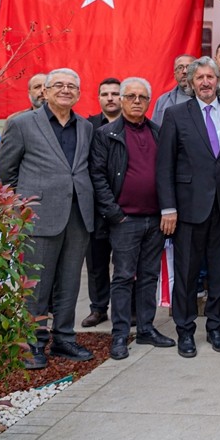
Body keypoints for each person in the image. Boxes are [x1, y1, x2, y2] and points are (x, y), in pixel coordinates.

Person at [0, 68, 95, 369]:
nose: (66, 90)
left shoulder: (85, 126)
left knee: (69, 283)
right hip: (39, 216)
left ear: (78, 93)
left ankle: (64, 338)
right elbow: (5, 171)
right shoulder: (23, 124)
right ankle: (32, 343)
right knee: (36, 285)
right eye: (59, 86)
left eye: (72, 87)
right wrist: (24, 205)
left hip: (78, 215)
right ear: (46, 91)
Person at [156, 56, 220, 358]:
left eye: (210, 77)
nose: (206, 82)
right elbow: (165, 165)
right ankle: (185, 331)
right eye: (200, 78)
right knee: (186, 274)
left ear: (219, 81)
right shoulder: (175, 114)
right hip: (189, 209)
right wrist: (168, 208)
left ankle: (216, 328)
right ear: (191, 82)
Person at [87, 77, 176, 360]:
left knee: (149, 276)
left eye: (142, 97)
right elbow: (98, 176)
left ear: (149, 102)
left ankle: (147, 328)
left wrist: (167, 209)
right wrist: (115, 214)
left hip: (156, 220)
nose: (137, 101)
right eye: (131, 96)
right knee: (123, 277)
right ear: (122, 100)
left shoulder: (159, 132)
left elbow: (169, 174)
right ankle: (120, 335)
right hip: (125, 220)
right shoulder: (106, 134)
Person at [82, 77, 123, 328]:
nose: (110, 98)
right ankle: (98, 308)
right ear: (98, 98)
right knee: (96, 263)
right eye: (105, 93)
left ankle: (125, 308)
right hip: (96, 207)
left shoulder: (132, 125)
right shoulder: (87, 127)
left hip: (124, 208)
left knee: (124, 263)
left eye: (115, 93)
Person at [151, 54, 195, 125]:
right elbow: (155, 130)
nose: (185, 71)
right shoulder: (163, 100)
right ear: (175, 74)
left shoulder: (205, 99)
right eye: (180, 67)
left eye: (189, 67)